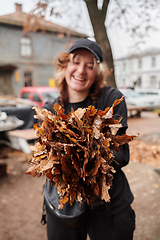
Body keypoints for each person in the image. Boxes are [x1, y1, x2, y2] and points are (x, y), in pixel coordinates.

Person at [42, 38, 136, 240]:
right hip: (64, 206)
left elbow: (121, 155)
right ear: (65, 65)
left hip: (109, 206)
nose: (81, 70)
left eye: (90, 65)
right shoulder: (50, 111)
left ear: (98, 73)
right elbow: (48, 160)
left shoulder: (111, 100)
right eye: (76, 62)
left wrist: (76, 151)